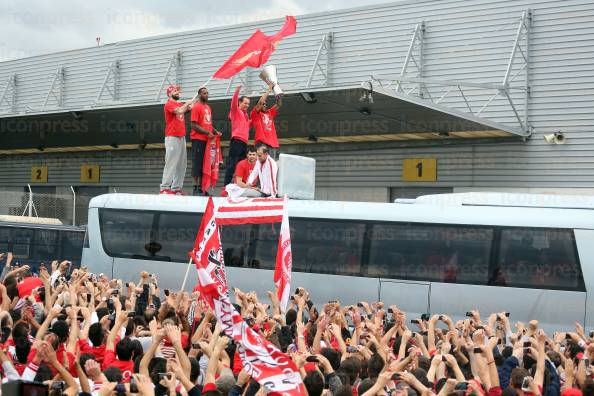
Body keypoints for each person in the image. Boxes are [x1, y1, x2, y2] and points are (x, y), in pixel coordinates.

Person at [160, 85, 194, 195]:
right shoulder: (169, 104)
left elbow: (187, 109)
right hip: (172, 136)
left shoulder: (179, 104)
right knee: (171, 162)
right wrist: (187, 104)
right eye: (175, 91)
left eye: (178, 91)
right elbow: (179, 111)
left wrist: (191, 103)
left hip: (181, 136)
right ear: (169, 94)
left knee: (182, 164)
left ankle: (176, 188)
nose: (177, 92)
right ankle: (164, 187)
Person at [190, 87, 222, 196]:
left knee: (206, 164)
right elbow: (193, 125)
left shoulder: (208, 107)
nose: (206, 95)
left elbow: (208, 124)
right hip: (198, 140)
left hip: (208, 141)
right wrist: (206, 133)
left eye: (207, 93)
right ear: (199, 95)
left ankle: (203, 188)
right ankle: (195, 188)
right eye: (204, 93)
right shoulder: (196, 107)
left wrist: (215, 131)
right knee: (197, 163)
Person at [224, 85, 251, 186]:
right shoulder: (236, 111)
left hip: (244, 142)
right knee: (231, 164)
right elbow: (233, 103)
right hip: (236, 141)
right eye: (245, 103)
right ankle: (226, 187)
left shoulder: (245, 115)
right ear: (240, 102)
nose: (247, 105)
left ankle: (239, 186)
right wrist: (237, 91)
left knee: (242, 166)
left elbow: (247, 126)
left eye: (248, 104)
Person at [251, 84, 282, 160]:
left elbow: (279, 104)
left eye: (266, 104)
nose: (265, 105)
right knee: (262, 164)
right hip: (262, 143)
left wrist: (276, 90)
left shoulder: (269, 112)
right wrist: (269, 90)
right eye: (263, 104)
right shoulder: (255, 113)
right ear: (257, 106)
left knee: (271, 165)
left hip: (272, 143)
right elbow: (260, 102)